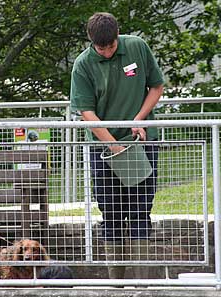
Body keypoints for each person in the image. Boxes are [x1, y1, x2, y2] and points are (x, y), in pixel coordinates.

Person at [70, 12, 164, 280]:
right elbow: (86, 112)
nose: (108, 51)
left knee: (140, 210)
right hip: (103, 149)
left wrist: (139, 118)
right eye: (101, 48)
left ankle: (142, 282)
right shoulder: (83, 65)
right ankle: (116, 283)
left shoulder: (137, 46)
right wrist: (114, 147)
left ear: (117, 36)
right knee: (111, 212)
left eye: (111, 46)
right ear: (92, 43)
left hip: (141, 143)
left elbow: (156, 87)